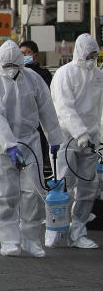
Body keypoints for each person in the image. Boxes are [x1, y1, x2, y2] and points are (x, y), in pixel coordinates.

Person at [0, 40, 63, 257]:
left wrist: (54, 138)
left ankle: (31, 238)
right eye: (6, 65)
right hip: (2, 146)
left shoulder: (33, 79)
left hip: (30, 142)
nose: (10, 69)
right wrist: (9, 145)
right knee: (3, 194)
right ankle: (9, 239)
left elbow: (47, 108)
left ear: (21, 62)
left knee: (33, 192)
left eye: (14, 64)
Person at [49, 33, 102, 249]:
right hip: (67, 138)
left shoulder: (98, 75)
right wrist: (80, 134)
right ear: (79, 52)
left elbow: (100, 109)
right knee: (64, 184)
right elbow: (64, 108)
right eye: (88, 54)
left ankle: (78, 231)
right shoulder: (65, 74)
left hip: (91, 139)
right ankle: (56, 228)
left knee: (89, 186)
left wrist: (95, 137)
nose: (91, 58)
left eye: (94, 54)